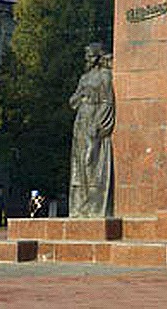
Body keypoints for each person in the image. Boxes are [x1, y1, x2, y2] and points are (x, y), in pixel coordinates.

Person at [69, 43, 115, 217]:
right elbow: (73, 100)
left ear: (97, 57)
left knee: (92, 163)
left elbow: (107, 102)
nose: (87, 58)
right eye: (86, 55)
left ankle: (94, 205)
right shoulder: (84, 77)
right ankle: (81, 205)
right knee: (79, 164)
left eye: (90, 55)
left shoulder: (105, 76)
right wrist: (80, 97)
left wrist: (98, 125)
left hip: (94, 123)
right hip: (81, 120)